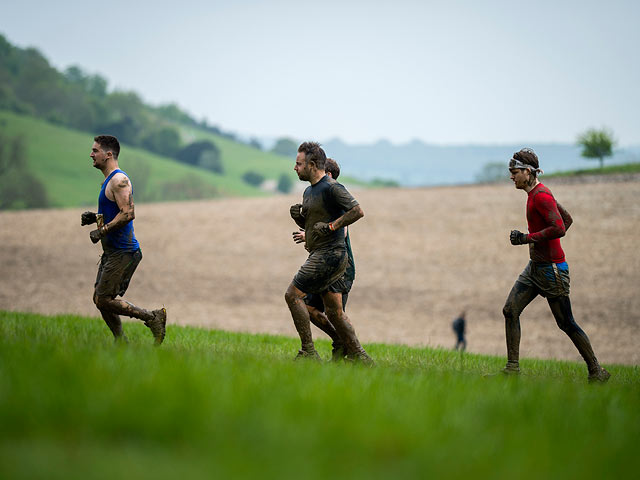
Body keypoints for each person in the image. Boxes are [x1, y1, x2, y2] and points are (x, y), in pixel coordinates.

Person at [502, 148, 609, 382]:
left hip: (552, 271)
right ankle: (512, 369)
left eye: (515, 172)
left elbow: (560, 228)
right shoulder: (537, 194)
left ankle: (596, 371)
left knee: (566, 323)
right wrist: (540, 247)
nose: (512, 176)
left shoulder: (541, 196)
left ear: (528, 172)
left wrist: (527, 239)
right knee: (510, 310)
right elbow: (566, 219)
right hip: (535, 268)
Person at [285, 142, 373, 364]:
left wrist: (333, 226)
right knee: (335, 313)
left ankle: (308, 352)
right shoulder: (309, 191)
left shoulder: (332, 188)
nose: (295, 168)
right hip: (321, 252)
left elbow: (357, 211)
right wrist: (299, 218)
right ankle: (359, 356)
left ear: (312, 165)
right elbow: (314, 225)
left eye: (299, 163)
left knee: (293, 295)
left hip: (330, 255)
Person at [81, 135, 167, 344]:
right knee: (100, 300)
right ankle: (121, 342)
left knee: (104, 299)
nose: (91, 154)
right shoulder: (109, 181)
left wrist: (101, 232)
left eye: (95, 150)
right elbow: (116, 212)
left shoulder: (119, 180)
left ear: (108, 154)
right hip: (113, 252)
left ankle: (152, 317)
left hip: (124, 252)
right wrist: (95, 218)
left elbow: (128, 213)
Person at [292, 158, 356, 360]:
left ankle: (348, 353)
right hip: (326, 260)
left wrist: (312, 234)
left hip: (341, 266)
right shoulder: (319, 197)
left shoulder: (334, 197)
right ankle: (344, 346)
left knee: (335, 314)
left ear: (327, 175)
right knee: (312, 309)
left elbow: (342, 233)